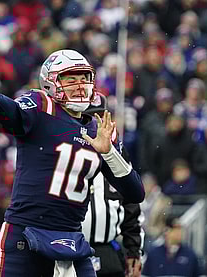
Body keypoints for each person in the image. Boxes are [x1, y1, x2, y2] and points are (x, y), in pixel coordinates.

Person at [0, 45, 145, 277]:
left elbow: (135, 193)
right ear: (51, 83)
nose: (80, 85)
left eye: (84, 78)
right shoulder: (41, 106)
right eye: (71, 79)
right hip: (26, 234)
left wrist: (109, 152)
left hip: (71, 240)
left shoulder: (99, 129)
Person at [81, 95, 143, 277]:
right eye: (88, 118)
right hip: (71, 249)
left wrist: (134, 250)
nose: (95, 124)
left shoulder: (118, 156)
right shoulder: (65, 153)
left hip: (107, 250)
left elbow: (132, 206)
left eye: (100, 117)